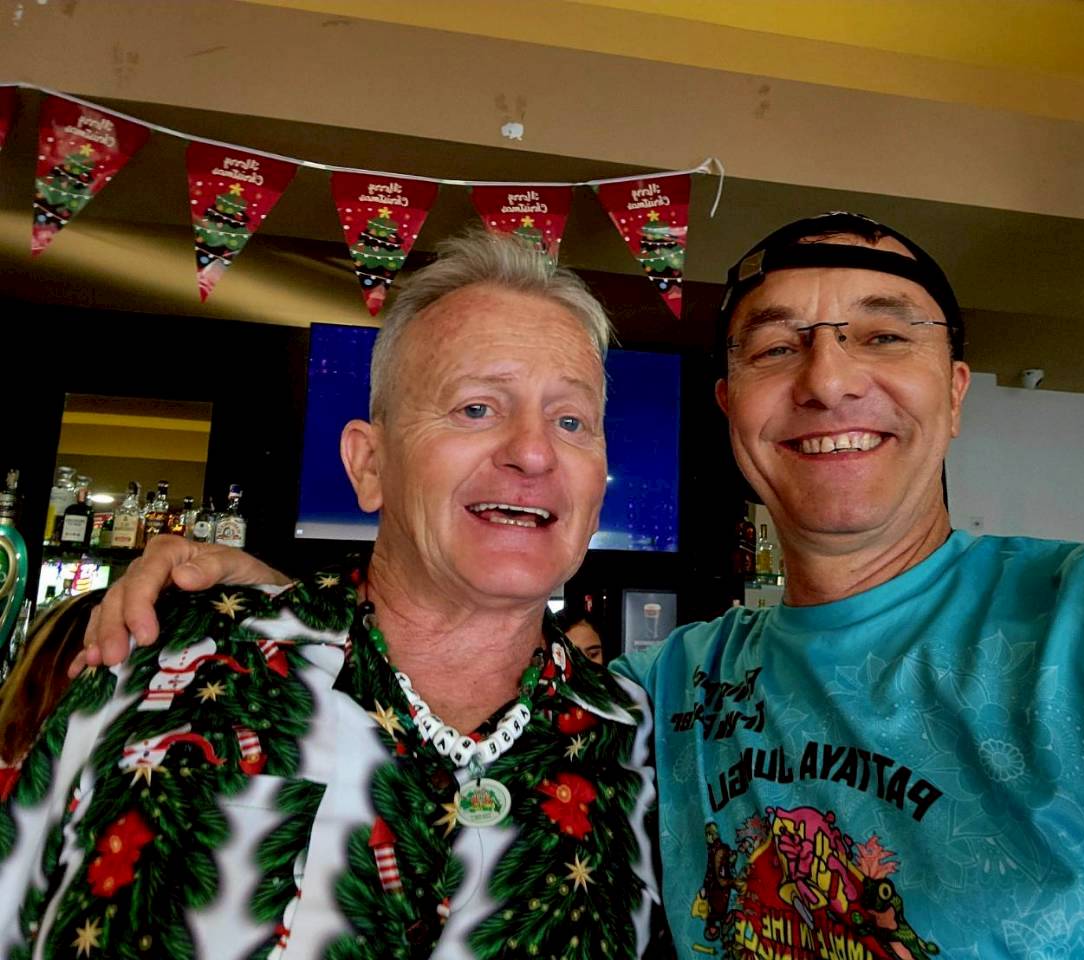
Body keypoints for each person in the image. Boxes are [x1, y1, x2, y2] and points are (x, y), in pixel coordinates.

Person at [74, 213, 1084, 957]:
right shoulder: (657, 695)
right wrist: (284, 606)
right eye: (775, 345)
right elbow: (451, 676)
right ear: (728, 408)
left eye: (882, 333)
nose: (827, 379)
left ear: (954, 393)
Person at [0, 232, 662, 959]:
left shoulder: (641, 743)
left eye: (571, 421)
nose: (534, 451)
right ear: (369, 464)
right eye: (477, 408)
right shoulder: (167, 669)